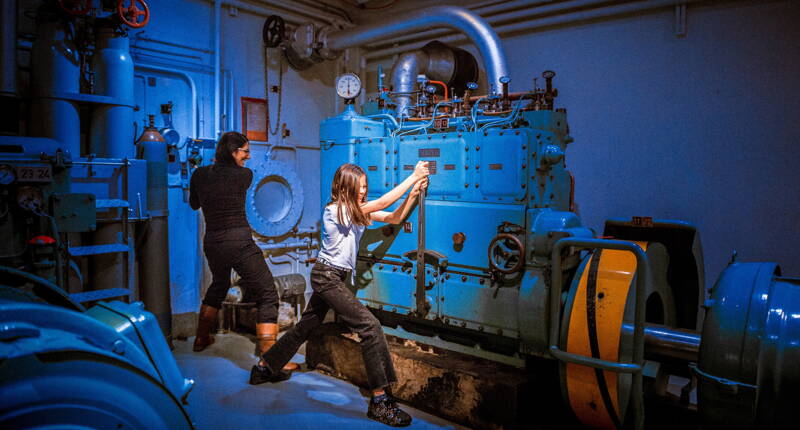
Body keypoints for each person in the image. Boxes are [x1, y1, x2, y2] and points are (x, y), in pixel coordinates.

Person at [250, 161, 430, 427]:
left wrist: (414, 193)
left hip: (333, 277)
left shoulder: (355, 212)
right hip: (327, 276)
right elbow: (381, 204)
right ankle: (380, 401)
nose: (363, 192)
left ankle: (264, 367)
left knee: (304, 328)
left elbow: (393, 217)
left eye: (365, 187)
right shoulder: (336, 210)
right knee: (371, 327)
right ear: (345, 188)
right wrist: (412, 177)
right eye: (358, 188)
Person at [189, 131, 298, 374]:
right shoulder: (244, 175)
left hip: (213, 242)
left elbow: (194, 204)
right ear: (232, 151)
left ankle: (200, 338)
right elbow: (238, 181)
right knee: (268, 293)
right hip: (239, 242)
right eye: (245, 151)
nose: (248, 156)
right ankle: (271, 359)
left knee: (219, 284)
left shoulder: (199, 175)